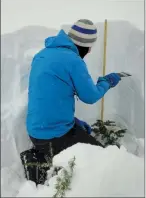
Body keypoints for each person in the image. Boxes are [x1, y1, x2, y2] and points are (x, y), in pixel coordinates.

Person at [24, 19, 121, 184]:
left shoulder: (42, 54)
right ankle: (42, 162)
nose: (90, 51)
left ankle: (44, 153)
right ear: (85, 45)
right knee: (102, 158)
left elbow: (49, 95)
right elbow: (90, 96)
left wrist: (73, 121)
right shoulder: (74, 61)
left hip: (35, 129)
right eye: (90, 47)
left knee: (79, 134)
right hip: (53, 135)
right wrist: (107, 82)